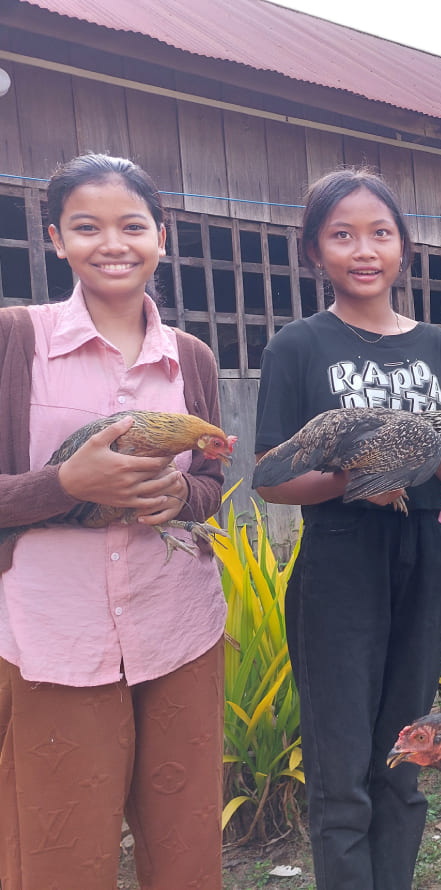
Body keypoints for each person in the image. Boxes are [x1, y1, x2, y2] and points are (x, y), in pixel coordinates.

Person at [0, 154, 227, 889]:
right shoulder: (16, 340)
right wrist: (64, 484)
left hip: (179, 625)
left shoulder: (189, 358)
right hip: (53, 633)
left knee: (186, 847)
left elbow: (213, 481)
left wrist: (181, 501)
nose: (113, 243)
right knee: (61, 849)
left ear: (161, 236)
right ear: (56, 240)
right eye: (86, 227)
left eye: (133, 225)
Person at [254, 168, 441, 890]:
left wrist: (427, 447)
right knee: (343, 763)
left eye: (380, 233)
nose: (363, 249)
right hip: (340, 561)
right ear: (314, 250)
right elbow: (271, 477)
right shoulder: (298, 345)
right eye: (341, 234)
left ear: (404, 248)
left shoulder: (437, 348)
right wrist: (363, 477)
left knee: (404, 753)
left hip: (421, 555)